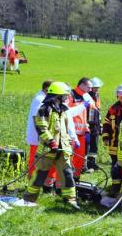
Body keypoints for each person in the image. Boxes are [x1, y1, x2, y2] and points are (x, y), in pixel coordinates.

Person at [24, 82, 80, 210]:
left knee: (67, 174)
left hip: (63, 149)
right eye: (65, 95)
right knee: (40, 176)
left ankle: (70, 200)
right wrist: (51, 142)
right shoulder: (44, 109)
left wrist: (69, 141)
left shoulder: (63, 109)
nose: (67, 97)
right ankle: (28, 199)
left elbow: (65, 128)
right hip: (48, 150)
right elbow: (41, 128)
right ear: (57, 95)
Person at [26, 80, 58, 190]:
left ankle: (41, 183)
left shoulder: (42, 98)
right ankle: (32, 182)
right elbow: (39, 120)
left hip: (41, 136)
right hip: (38, 136)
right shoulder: (40, 100)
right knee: (35, 160)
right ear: (47, 89)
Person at [102, 84, 122, 195]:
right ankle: (115, 187)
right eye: (119, 95)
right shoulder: (113, 108)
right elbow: (106, 123)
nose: (120, 97)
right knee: (115, 167)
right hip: (114, 143)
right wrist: (106, 137)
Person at [68, 77, 95, 179]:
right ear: (82, 85)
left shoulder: (86, 96)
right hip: (71, 133)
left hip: (82, 132)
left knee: (80, 158)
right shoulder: (71, 95)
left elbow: (92, 109)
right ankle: (68, 178)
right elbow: (67, 112)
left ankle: (76, 178)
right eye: (89, 87)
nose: (90, 89)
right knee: (69, 157)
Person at [86, 77, 104, 171]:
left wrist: (100, 125)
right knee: (88, 145)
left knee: (94, 146)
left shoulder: (97, 96)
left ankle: (92, 164)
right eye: (95, 87)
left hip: (95, 124)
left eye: (98, 87)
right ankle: (87, 165)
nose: (97, 89)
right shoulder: (87, 97)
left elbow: (98, 111)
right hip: (89, 125)